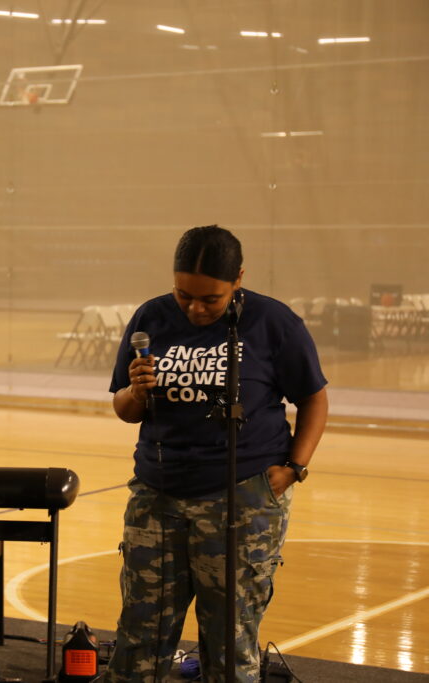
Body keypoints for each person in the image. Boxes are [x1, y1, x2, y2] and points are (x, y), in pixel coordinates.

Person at [103, 225, 328, 682]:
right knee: (140, 636)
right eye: (184, 295)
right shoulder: (151, 317)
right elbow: (125, 409)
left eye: (211, 299)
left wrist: (294, 468)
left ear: (238, 279)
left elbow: (313, 398)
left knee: (230, 640)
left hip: (242, 500)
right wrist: (137, 392)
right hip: (157, 497)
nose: (195, 308)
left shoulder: (272, 322)